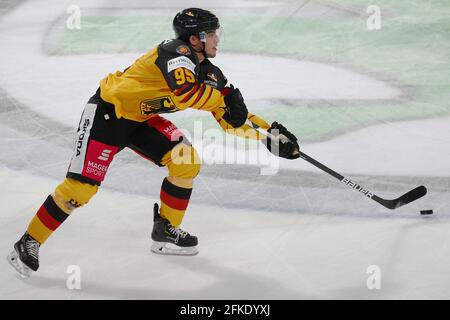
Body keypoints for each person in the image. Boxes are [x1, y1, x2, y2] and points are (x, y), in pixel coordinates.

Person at [7, 8, 300, 277]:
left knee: (186, 160)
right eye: (211, 34)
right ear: (195, 38)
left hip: (141, 119)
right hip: (108, 115)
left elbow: (232, 119)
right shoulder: (176, 53)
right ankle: (27, 243)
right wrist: (221, 99)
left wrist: (269, 135)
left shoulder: (211, 74)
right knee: (80, 190)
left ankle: (165, 229)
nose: (216, 40)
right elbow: (186, 93)